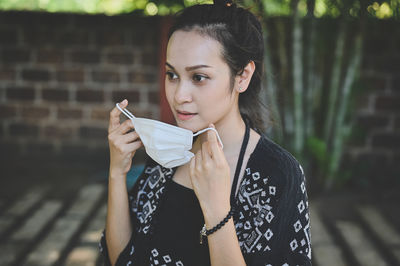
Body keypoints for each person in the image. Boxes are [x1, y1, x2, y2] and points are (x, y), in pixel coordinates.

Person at [99, 0, 312, 265]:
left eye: (198, 77)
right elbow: (123, 259)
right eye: (172, 75)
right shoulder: (168, 154)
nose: (179, 96)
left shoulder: (278, 175)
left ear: (242, 76)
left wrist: (217, 209)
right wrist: (117, 173)